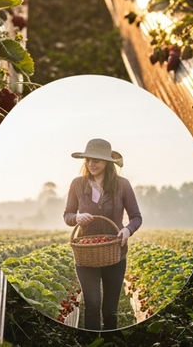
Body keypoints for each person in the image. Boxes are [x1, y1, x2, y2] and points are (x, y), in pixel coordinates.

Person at [63, 138, 143, 331]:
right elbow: (67, 215)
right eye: (88, 160)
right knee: (91, 305)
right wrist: (77, 217)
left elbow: (136, 217)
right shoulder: (77, 184)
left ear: (107, 162)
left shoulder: (122, 185)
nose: (91, 164)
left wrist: (127, 230)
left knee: (110, 311)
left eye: (96, 160)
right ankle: (93, 342)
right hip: (86, 256)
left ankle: (110, 342)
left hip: (115, 254)